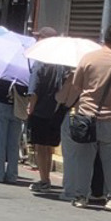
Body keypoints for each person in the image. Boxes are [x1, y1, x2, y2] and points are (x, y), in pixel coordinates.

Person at [56, 24, 111, 210]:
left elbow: (77, 86)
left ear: (104, 38)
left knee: (85, 159)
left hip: (86, 117)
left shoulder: (88, 59)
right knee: (110, 160)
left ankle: (81, 196)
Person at [27, 27, 69, 193]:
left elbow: (34, 89)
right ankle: (46, 178)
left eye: (39, 38)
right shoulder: (61, 63)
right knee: (48, 147)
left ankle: (44, 179)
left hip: (40, 111)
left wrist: (30, 106)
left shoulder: (41, 62)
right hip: (55, 111)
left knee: (40, 147)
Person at [0, 78, 27, 184]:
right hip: (18, 105)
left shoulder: (3, 72)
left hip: (2, 103)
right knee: (14, 144)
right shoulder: (23, 73)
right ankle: (12, 175)